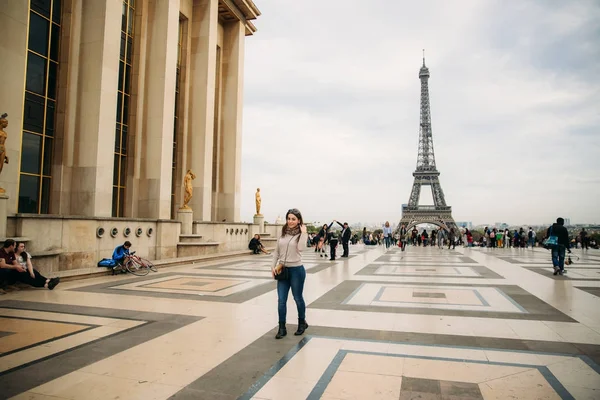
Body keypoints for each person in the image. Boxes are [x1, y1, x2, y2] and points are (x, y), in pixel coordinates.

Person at [271, 208, 309, 339]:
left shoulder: (301, 234)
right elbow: (276, 251)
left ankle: (302, 323)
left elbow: (301, 248)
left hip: (296, 270)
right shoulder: (283, 233)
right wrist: (273, 266)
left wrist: (304, 233)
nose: (290, 221)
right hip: (282, 270)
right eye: (288, 218)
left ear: (299, 220)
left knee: (297, 298)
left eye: (293, 219)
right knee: (281, 300)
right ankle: (282, 328)